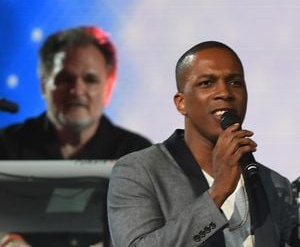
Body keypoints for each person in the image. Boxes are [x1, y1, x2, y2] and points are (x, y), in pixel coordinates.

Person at [107, 41, 298, 246]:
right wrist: (218, 192)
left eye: (235, 82)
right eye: (207, 83)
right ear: (181, 103)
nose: (224, 92)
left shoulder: (273, 183)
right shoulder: (139, 171)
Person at [0, 26, 152, 247]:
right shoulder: (6, 145)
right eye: (65, 79)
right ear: (44, 85)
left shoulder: (138, 154)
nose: (77, 89)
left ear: (108, 88)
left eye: (90, 80)